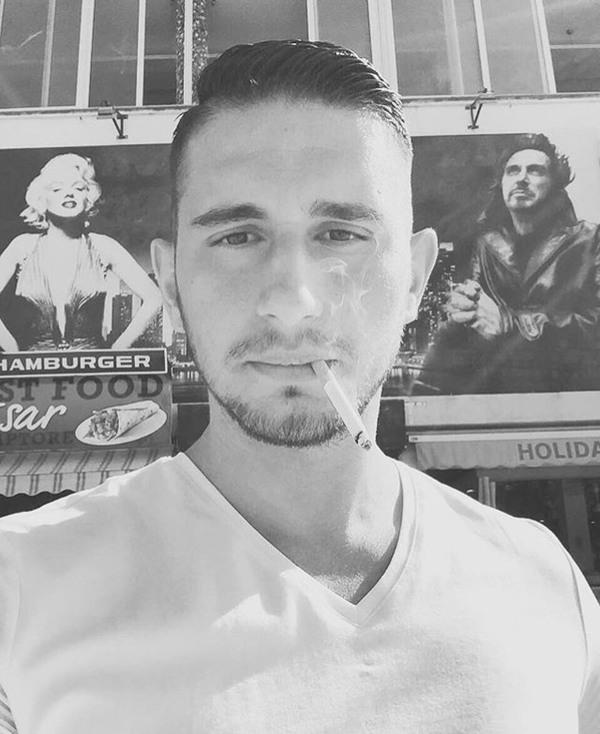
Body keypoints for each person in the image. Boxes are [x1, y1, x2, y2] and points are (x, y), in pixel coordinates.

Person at [0, 41, 598, 733]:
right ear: (170, 282)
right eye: (237, 236)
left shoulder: (543, 584)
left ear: (413, 279)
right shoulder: (24, 585)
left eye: (340, 233)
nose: (291, 302)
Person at [417, 134, 600, 394]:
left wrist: (509, 324)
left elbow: (595, 327)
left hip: (570, 395)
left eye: (535, 170)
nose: (521, 178)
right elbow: (475, 325)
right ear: (502, 183)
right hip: (497, 396)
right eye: (513, 170)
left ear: (555, 185)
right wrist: (463, 311)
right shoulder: (486, 244)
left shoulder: (591, 239)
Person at [0, 153, 162, 351]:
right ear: (42, 199)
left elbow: (154, 298)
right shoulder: (22, 246)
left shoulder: (103, 246)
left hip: (92, 367)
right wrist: (13, 350)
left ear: (88, 198)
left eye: (78, 188)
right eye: (57, 189)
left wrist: (116, 352)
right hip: (34, 367)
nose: (69, 194)